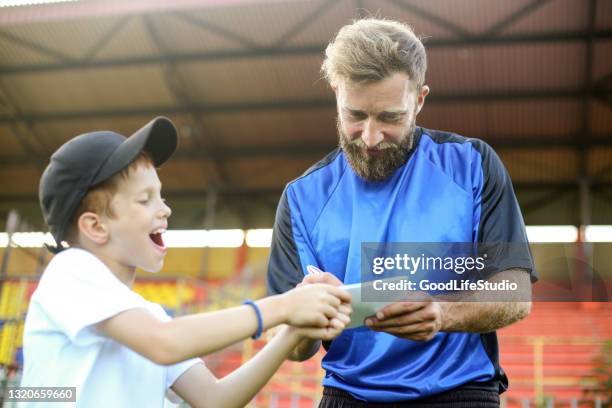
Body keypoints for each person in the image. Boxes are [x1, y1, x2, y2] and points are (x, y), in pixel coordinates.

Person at [267, 18, 537, 407]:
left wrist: (444, 314)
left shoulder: (472, 164)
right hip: (347, 396)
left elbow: (516, 290)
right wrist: (308, 313)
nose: (371, 137)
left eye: (390, 118)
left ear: (420, 99)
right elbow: (294, 350)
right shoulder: (301, 198)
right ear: (335, 93)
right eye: (355, 115)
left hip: (460, 394)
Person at [21, 117, 352, 408]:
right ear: (95, 226)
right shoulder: (72, 270)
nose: (164, 209)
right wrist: (282, 306)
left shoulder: (149, 316)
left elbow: (214, 399)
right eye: (145, 199)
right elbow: (164, 343)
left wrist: (291, 333)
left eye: (161, 195)